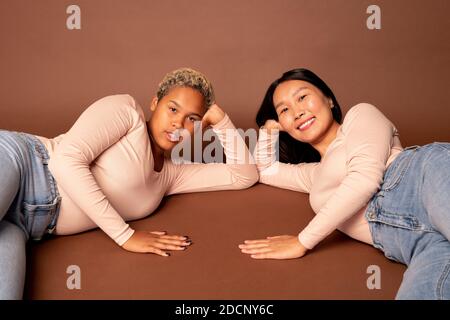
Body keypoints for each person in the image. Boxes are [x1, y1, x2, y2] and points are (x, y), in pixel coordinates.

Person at [0, 67, 258, 299]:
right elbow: (64, 161)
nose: (178, 123)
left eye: (192, 119)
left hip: (24, 226)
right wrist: (125, 236)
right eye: (173, 109)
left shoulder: (170, 176)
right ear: (155, 102)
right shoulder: (127, 112)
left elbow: (244, 175)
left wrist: (221, 121)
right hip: (23, 163)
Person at [239, 68, 450, 299]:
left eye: (302, 97)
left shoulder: (361, 115)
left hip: (426, 178)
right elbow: (266, 170)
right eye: (285, 110)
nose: (297, 112)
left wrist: (302, 241)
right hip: (414, 242)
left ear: (329, 99)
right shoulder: (315, 176)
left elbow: (364, 179)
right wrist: (270, 129)